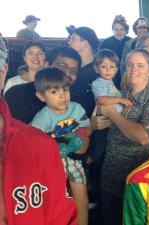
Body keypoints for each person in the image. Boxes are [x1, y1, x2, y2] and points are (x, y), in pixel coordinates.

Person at [0, 28, 77, 225]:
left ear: (3, 70)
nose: (61, 95)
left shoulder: (39, 146)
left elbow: (63, 216)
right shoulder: (17, 94)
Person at [98, 48, 149, 225]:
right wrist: (95, 123)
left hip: (141, 183)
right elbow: (98, 118)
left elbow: (144, 137)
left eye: (140, 65)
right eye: (129, 65)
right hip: (111, 178)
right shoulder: (119, 95)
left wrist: (112, 114)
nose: (133, 69)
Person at [30, 67, 89, 225]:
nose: (63, 96)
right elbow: (33, 141)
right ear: (41, 96)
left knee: (82, 200)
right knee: (58, 203)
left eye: (66, 89)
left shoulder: (76, 108)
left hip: (74, 162)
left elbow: (86, 130)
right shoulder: (42, 118)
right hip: (52, 165)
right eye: (54, 92)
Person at [4, 46, 82, 123]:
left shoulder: (77, 102)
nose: (67, 74)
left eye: (73, 71)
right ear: (47, 65)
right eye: (62, 66)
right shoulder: (18, 94)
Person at [89, 49, 132, 163]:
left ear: (116, 69)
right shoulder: (98, 82)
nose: (108, 69)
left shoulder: (112, 85)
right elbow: (101, 100)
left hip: (112, 124)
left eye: (112, 66)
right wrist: (120, 99)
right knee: (99, 152)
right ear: (96, 69)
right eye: (103, 66)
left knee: (107, 152)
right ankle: (93, 174)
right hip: (103, 124)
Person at [68, 26, 99, 118]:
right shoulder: (72, 68)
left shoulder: (101, 72)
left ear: (85, 43)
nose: (69, 42)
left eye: (72, 39)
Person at [99, 15, 131, 88]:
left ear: (126, 31)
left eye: (121, 29)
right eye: (116, 30)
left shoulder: (130, 42)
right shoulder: (106, 42)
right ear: (112, 30)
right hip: (110, 73)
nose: (119, 32)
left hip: (126, 73)